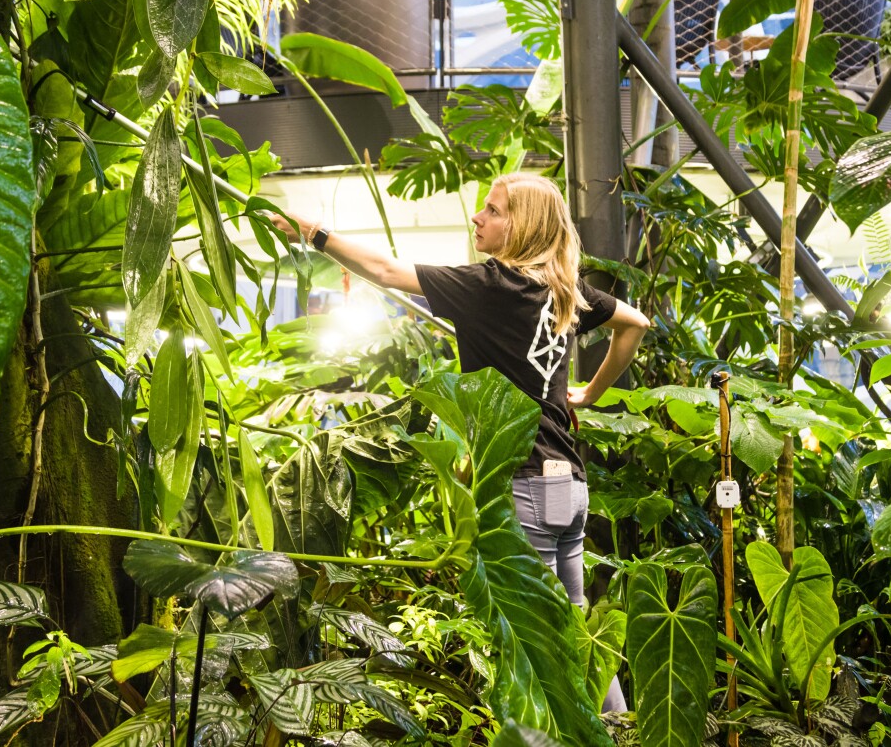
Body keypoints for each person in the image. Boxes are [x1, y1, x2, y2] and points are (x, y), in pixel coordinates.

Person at [272, 171, 649, 713]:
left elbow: (384, 269)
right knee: (573, 623)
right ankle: (619, 729)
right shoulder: (563, 289)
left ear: (523, 225)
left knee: (542, 644)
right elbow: (635, 323)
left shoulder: (492, 286)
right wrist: (588, 392)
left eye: (493, 211)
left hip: (524, 485)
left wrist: (317, 235)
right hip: (568, 483)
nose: (478, 218)